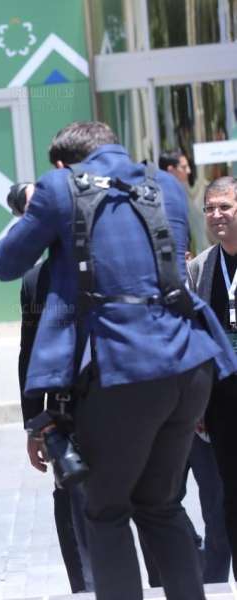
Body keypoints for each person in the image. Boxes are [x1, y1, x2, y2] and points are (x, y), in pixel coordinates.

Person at [0, 120, 237, 600]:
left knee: (105, 509)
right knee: (161, 505)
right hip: (189, 364)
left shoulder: (59, 187)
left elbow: (7, 263)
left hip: (123, 368)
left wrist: (37, 206)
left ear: (62, 163)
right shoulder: (165, 185)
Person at [20, 262, 94, 594]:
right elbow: (29, 354)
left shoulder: (109, 258)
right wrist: (34, 425)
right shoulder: (36, 280)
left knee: (146, 503)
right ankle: (85, 590)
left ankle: (159, 584)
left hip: (123, 402)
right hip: (65, 412)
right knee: (70, 498)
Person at [187, 175, 237, 580]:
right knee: (229, 495)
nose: (217, 215)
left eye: (225, 207)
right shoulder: (199, 268)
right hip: (221, 399)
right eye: (210, 208)